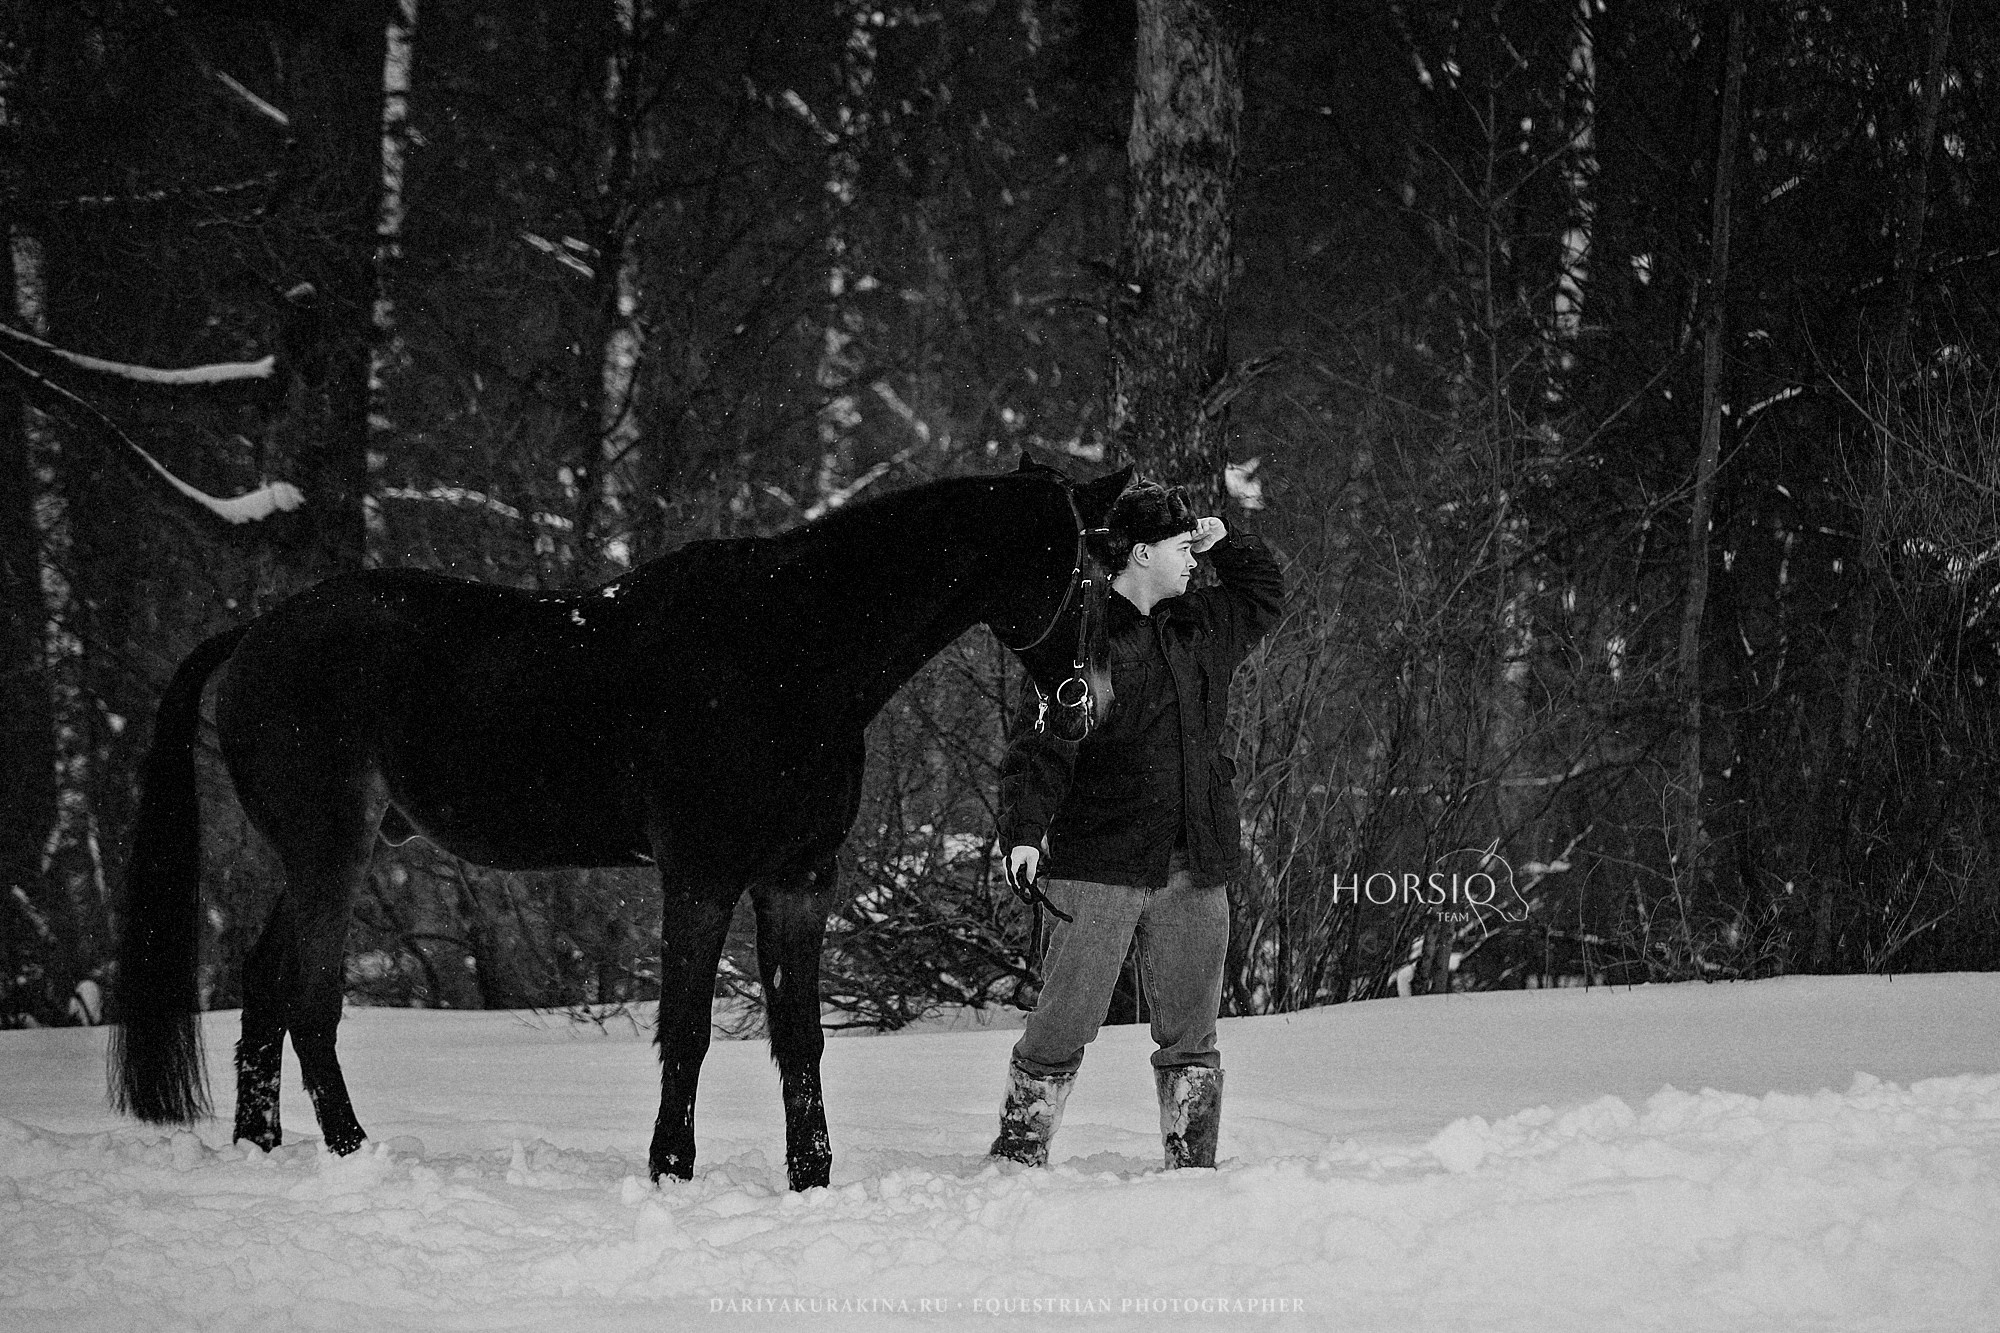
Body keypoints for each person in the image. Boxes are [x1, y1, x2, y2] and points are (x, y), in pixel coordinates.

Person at [989, 479, 1284, 1170]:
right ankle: (1016, 1157)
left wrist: (1222, 536)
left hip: (1195, 862)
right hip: (1099, 864)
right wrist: (1025, 833)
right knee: (1063, 1021)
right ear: (1142, 552)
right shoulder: (1083, 633)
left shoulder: (1202, 624)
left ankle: (1192, 1164)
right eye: (1182, 548)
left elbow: (1264, 591)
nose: (1193, 561)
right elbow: (1041, 747)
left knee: (1193, 1031)